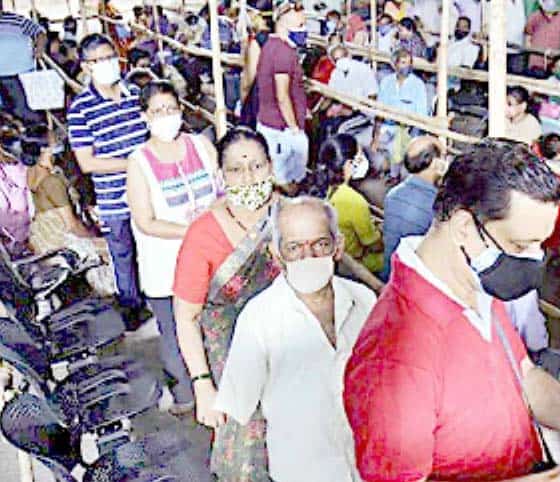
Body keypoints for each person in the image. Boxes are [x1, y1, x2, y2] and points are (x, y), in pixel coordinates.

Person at [344, 139, 560, 481]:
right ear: (464, 228)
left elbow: (523, 375)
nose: (534, 260)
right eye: (520, 245)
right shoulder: (396, 356)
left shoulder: (475, 284)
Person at [214, 196, 376, 481]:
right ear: (277, 255)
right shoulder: (258, 319)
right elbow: (238, 405)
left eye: (320, 244)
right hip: (304, 471)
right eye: (294, 247)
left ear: (338, 246)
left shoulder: (363, 300)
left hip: (367, 461)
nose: (308, 256)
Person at [174, 127, 280, 482]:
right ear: (221, 176)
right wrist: (202, 385)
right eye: (236, 169)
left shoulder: (290, 218)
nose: (248, 177)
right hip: (234, 366)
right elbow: (186, 317)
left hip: (292, 358)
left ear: (271, 167)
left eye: (257, 166)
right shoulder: (203, 234)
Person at [127, 81, 219, 413]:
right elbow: (145, 221)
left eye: (171, 109)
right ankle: (184, 395)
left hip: (210, 257)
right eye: (157, 111)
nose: (166, 116)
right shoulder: (139, 162)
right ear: (145, 116)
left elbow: (221, 190)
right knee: (174, 329)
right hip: (166, 263)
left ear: (181, 110)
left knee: (211, 322)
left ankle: (216, 384)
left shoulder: (201, 146)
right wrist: (190, 231)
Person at [67, 33, 150, 328]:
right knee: (122, 255)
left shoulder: (135, 95)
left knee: (150, 250)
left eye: (110, 57)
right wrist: (134, 164)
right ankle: (131, 307)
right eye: (99, 60)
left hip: (148, 192)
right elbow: (87, 162)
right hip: (114, 198)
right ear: (86, 66)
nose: (107, 64)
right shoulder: (81, 109)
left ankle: (157, 299)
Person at [23, 124, 114, 295]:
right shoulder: (52, 181)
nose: (59, 141)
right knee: (114, 249)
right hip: (61, 238)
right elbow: (72, 226)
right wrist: (97, 237)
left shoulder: (31, 172)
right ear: (44, 149)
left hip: (44, 236)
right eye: (54, 140)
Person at [256, 0, 309, 187]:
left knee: (276, 177)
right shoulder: (284, 52)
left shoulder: (270, 45)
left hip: (270, 123)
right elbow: (282, 95)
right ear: (283, 20)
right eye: (300, 24)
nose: (304, 29)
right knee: (288, 182)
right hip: (282, 129)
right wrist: (294, 128)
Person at [382, 136, 446, 280]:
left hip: (388, 274)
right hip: (411, 280)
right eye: (443, 156)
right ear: (435, 163)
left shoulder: (393, 195)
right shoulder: (436, 207)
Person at [320, 134, 384, 273]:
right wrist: (380, 232)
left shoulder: (325, 189)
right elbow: (373, 245)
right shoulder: (354, 201)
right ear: (348, 164)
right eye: (359, 158)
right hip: (352, 261)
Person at [371, 48, 428, 179]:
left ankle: (394, 175)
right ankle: (388, 169)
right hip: (388, 126)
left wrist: (411, 137)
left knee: (397, 148)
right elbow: (380, 110)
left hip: (408, 128)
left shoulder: (418, 84)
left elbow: (421, 116)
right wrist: (375, 137)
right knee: (377, 148)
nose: (407, 66)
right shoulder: (386, 82)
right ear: (394, 65)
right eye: (403, 63)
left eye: (409, 63)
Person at [0, 8, 46, 124]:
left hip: (20, 72)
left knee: (22, 110)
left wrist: (39, 49)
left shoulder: (18, 20)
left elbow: (39, 33)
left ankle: (34, 128)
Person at [524, 0, 560, 73]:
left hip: (553, 58)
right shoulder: (535, 16)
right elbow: (528, 37)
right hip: (536, 59)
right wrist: (530, 51)